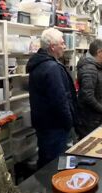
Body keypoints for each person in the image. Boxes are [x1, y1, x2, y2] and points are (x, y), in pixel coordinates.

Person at [27, 28, 79, 168]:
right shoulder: (51, 67)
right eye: (62, 43)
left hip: (46, 125)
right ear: (52, 46)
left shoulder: (41, 64)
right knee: (55, 164)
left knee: (47, 159)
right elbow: (60, 100)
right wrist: (69, 122)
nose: (64, 46)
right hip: (55, 126)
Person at [77, 39, 102, 138]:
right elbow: (88, 95)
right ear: (99, 52)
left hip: (96, 115)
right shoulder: (89, 68)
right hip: (91, 117)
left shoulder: (97, 66)